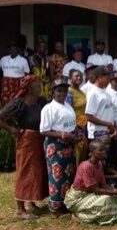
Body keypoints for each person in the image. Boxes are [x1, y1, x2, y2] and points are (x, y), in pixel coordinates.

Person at [0, 75, 48, 219]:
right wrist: (11, 129)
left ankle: (32, 201)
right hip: (26, 141)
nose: (40, 87)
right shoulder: (19, 104)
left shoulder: (41, 102)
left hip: (40, 140)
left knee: (37, 171)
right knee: (24, 171)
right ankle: (20, 209)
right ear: (29, 87)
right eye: (37, 85)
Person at [64, 140, 117, 225]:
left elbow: (104, 185)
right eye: (101, 150)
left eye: (104, 150)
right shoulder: (86, 166)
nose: (104, 152)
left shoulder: (99, 164)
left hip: (89, 194)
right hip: (77, 198)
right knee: (105, 201)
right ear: (92, 152)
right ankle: (79, 216)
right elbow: (95, 190)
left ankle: (110, 214)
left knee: (115, 197)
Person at [40, 79, 80, 216]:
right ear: (52, 92)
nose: (62, 93)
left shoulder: (68, 106)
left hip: (69, 144)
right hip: (56, 145)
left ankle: (65, 203)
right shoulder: (48, 108)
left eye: (64, 90)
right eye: (59, 90)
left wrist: (76, 133)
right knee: (57, 176)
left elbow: (71, 124)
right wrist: (63, 134)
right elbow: (44, 130)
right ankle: (55, 208)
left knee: (68, 174)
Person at [85, 66, 117, 140]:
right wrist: (108, 124)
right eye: (107, 78)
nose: (109, 81)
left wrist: (115, 126)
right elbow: (88, 117)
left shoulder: (105, 91)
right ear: (100, 77)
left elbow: (109, 112)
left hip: (107, 132)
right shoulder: (93, 93)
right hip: (97, 133)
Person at [66, 70, 89, 166]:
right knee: (78, 152)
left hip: (84, 125)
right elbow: (67, 110)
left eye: (80, 76)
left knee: (84, 150)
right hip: (76, 126)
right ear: (70, 78)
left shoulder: (81, 92)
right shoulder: (69, 92)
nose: (79, 78)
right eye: (76, 76)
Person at [1, 41, 30, 106]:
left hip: (18, 84)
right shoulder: (3, 59)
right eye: (11, 49)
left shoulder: (23, 60)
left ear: (17, 50)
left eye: (14, 49)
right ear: (8, 50)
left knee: (17, 102)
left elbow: (27, 74)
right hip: (6, 85)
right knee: (5, 102)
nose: (12, 50)